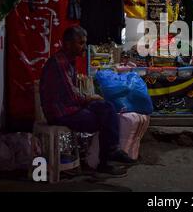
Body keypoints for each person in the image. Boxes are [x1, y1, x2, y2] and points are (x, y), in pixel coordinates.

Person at [39, 26, 135, 176]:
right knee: (104, 119)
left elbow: (74, 94)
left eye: (84, 43)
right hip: (60, 113)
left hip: (70, 108)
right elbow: (72, 97)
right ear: (68, 43)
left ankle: (110, 154)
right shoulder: (59, 63)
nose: (84, 47)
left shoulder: (69, 61)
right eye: (80, 43)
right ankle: (107, 160)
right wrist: (90, 98)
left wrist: (90, 100)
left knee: (107, 108)